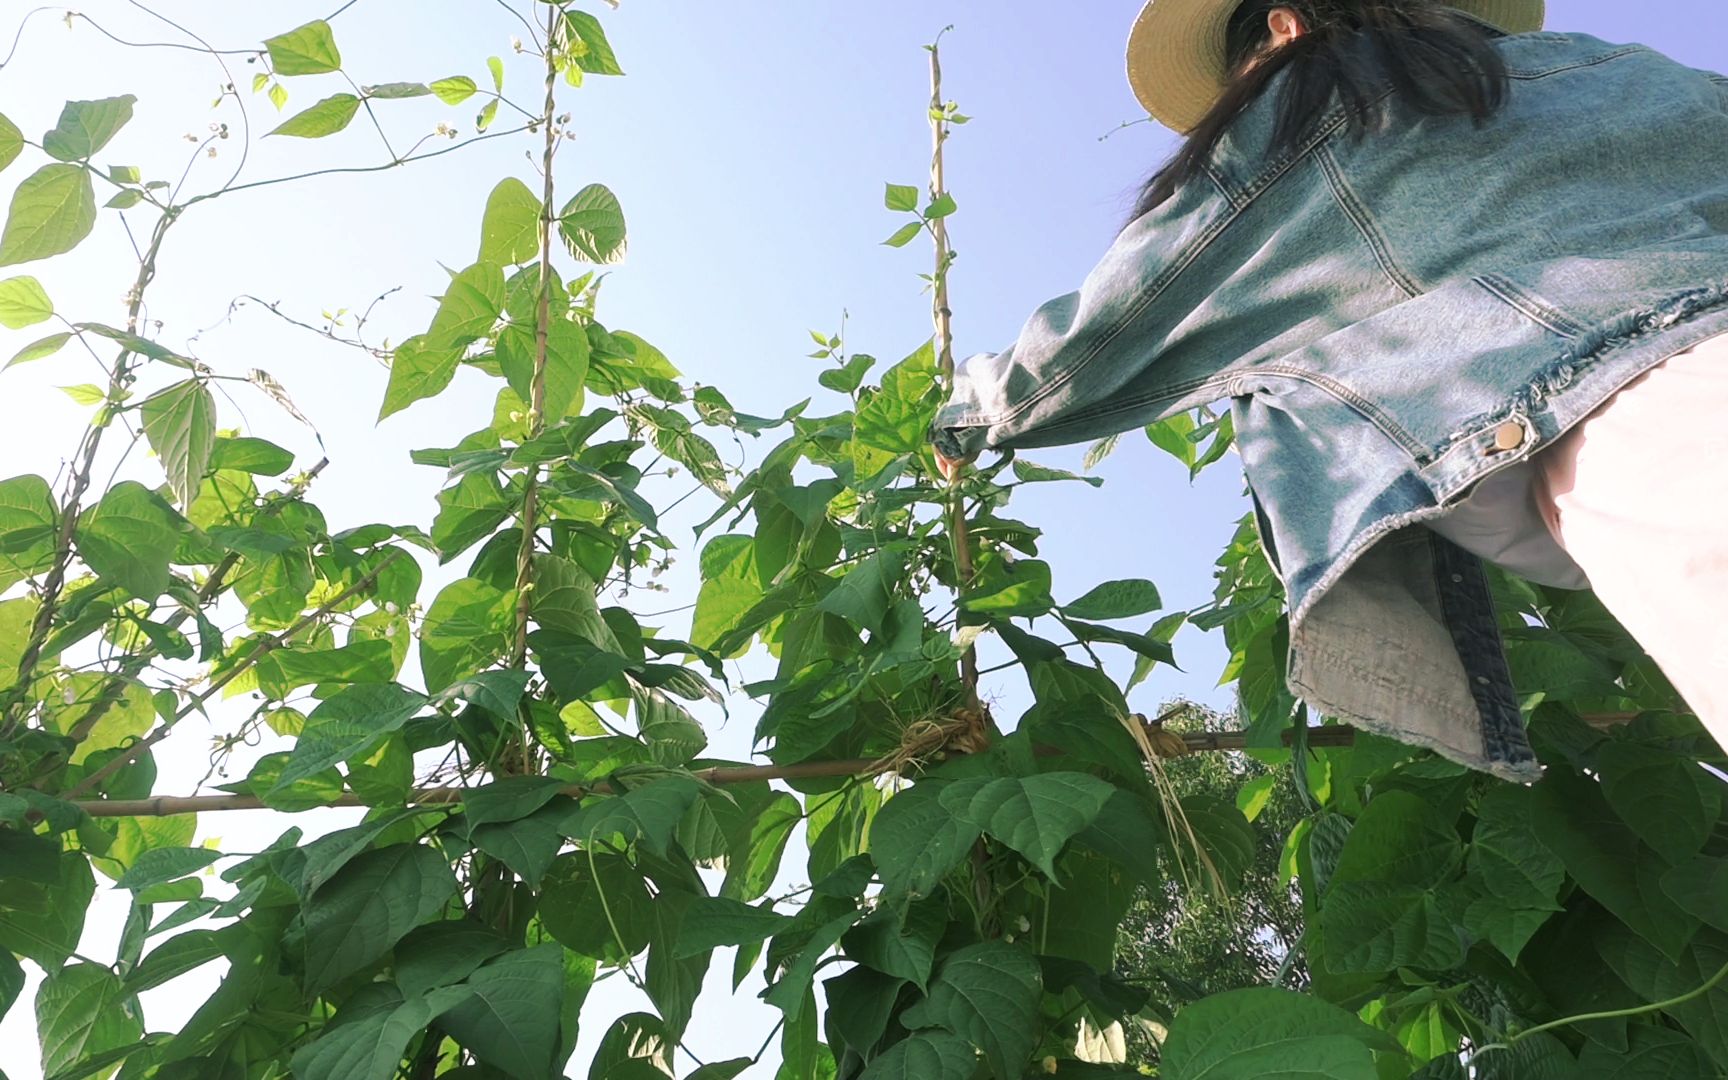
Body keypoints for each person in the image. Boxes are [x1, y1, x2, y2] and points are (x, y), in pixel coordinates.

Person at [929, 0, 1728, 778]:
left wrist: (970, 415)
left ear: (1284, 26)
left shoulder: (1318, 106)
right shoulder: (1622, 66)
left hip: (1656, 414)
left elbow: (1118, 319)